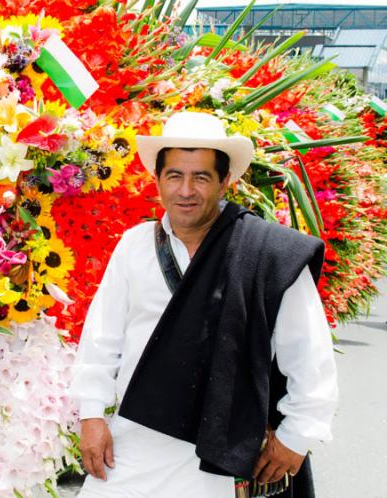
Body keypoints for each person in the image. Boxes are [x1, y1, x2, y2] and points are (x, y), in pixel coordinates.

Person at [70, 111, 338, 498]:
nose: (186, 190)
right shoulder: (135, 246)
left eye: (201, 177)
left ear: (225, 181)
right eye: (175, 175)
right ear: (158, 179)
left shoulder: (268, 254)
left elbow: (309, 353)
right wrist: (92, 413)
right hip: (138, 439)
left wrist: (297, 434)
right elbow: (101, 339)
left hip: (224, 447)